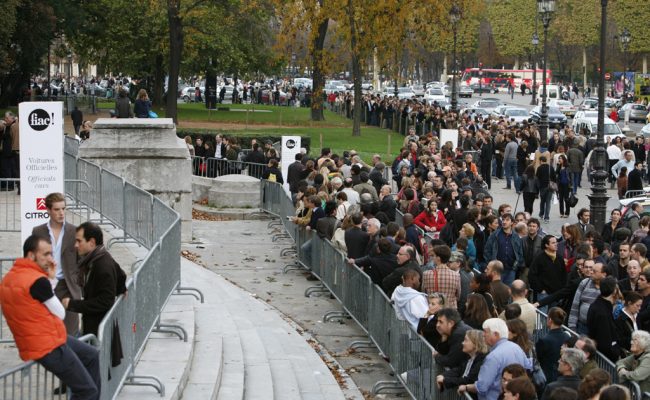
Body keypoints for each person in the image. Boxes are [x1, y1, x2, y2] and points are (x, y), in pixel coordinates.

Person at [0, 235, 100, 399]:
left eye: (51, 254)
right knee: (87, 391)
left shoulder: (11, 277)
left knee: (91, 355)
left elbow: (35, 303)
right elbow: (60, 312)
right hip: (48, 345)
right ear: (31, 255)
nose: (50, 259)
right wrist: (50, 280)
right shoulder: (37, 281)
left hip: (42, 338)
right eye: (45, 254)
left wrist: (51, 279)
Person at [62, 222, 127, 336]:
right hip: (92, 329)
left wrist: (73, 304)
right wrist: (122, 288)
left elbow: (105, 301)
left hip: (97, 332)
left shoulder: (102, 265)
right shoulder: (101, 256)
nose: (76, 245)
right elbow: (121, 275)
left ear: (91, 242)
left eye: (79, 241)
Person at [32, 193, 80, 336]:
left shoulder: (74, 231)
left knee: (70, 332)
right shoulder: (38, 231)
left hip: (68, 286)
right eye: (57, 209)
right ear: (48, 210)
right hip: (46, 284)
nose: (61, 213)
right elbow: (32, 259)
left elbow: (83, 259)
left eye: (63, 209)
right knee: (46, 331)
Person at [458, 318, 532, 399]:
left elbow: (482, 387)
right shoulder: (516, 348)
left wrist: (466, 387)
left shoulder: (493, 357)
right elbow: (528, 367)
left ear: (496, 334)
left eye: (486, 332)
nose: (483, 335)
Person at [436, 329, 487, 394]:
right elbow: (459, 370)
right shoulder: (470, 356)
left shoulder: (481, 361)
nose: (462, 343)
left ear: (475, 344)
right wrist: (443, 375)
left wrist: (445, 380)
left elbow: (468, 380)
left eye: (466, 340)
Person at [586, 276, 623, 361]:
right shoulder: (602, 313)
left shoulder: (598, 305)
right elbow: (605, 344)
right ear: (614, 291)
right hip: (605, 360)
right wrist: (616, 352)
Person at [568, 262, 609, 334]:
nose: (591, 272)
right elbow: (575, 306)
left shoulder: (609, 287)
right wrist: (572, 327)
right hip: (582, 327)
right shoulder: (584, 283)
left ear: (604, 274)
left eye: (594, 271)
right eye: (591, 270)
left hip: (601, 329)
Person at [484, 213, 523, 285]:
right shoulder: (495, 235)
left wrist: (516, 265)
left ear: (512, 222)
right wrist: (491, 264)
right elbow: (487, 250)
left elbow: (520, 252)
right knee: (495, 290)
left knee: (508, 292)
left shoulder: (516, 236)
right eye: (503, 220)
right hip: (497, 270)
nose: (504, 222)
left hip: (511, 269)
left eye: (507, 220)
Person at [536, 307, 571, 384]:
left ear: (550, 320)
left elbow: (538, 358)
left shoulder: (544, 340)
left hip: (547, 377)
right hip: (563, 377)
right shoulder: (567, 337)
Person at [529, 235, 567, 305]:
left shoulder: (559, 258)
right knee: (543, 314)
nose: (556, 244)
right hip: (543, 294)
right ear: (546, 245)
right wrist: (540, 289)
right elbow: (532, 275)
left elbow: (564, 275)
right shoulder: (539, 258)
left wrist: (561, 290)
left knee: (553, 314)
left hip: (556, 294)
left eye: (556, 242)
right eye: (553, 243)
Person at [422, 245, 461, 309]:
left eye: (434, 255)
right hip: (450, 311)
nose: (432, 258)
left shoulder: (426, 274)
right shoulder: (456, 275)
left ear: (438, 258)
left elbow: (424, 293)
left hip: (433, 310)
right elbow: (458, 296)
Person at [0, 111, 19, 191]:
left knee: (9, 169)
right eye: (5, 118)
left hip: (10, 151)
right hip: (6, 151)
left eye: (7, 118)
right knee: (7, 169)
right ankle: (7, 185)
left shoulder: (14, 125)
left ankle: (9, 186)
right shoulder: (6, 126)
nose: (5, 119)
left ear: (12, 117)